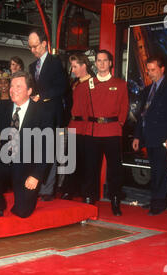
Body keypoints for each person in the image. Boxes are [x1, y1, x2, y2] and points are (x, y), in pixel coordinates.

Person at [0, 71, 55, 218]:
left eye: (18, 86)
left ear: (29, 91)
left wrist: (36, 176)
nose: (12, 90)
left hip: (27, 167)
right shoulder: (2, 107)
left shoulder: (43, 112)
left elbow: (47, 147)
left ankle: (24, 198)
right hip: (5, 160)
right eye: (11, 86)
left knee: (22, 212)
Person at [80, 50, 129, 215]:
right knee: (90, 168)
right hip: (93, 132)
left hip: (112, 131)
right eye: (98, 61)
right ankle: (89, 199)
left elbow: (124, 108)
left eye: (104, 60)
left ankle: (115, 199)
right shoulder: (88, 84)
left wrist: (118, 124)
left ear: (110, 63)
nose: (101, 64)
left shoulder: (120, 84)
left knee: (115, 169)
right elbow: (84, 108)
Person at [132, 55, 167, 216]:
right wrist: (137, 136)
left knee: (161, 170)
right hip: (149, 136)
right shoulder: (147, 90)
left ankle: (159, 203)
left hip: (164, 138)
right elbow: (142, 115)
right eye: (148, 70)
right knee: (154, 170)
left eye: (153, 70)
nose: (150, 73)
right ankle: (155, 199)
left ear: (162, 69)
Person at [28, 29, 67, 201]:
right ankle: (36, 185)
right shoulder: (31, 66)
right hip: (36, 116)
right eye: (30, 47)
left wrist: (43, 97)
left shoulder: (55, 63)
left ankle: (47, 190)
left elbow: (62, 87)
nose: (33, 50)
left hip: (51, 114)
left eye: (35, 46)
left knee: (49, 153)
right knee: (37, 152)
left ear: (44, 43)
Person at [60, 53, 93, 203]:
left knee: (87, 161)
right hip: (73, 125)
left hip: (86, 126)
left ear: (83, 66)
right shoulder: (74, 83)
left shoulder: (93, 83)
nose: (72, 70)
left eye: (74, 66)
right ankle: (68, 190)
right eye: (71, 66)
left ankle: (86, 192)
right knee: (70, 160)